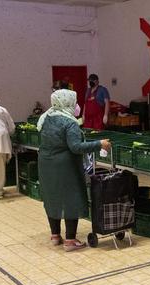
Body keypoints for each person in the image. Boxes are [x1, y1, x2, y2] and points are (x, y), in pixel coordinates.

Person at [37, 89, 111, 251]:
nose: (77, 105)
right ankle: (70, 240)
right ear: (68, 102)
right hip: (65, 167)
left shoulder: (46, 118)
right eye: (74, 101)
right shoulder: (69, 123)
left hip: (45, 164)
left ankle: (55, 235)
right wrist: (99, 144)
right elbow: (76, 147)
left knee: (52, 198)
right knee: (71, 198)